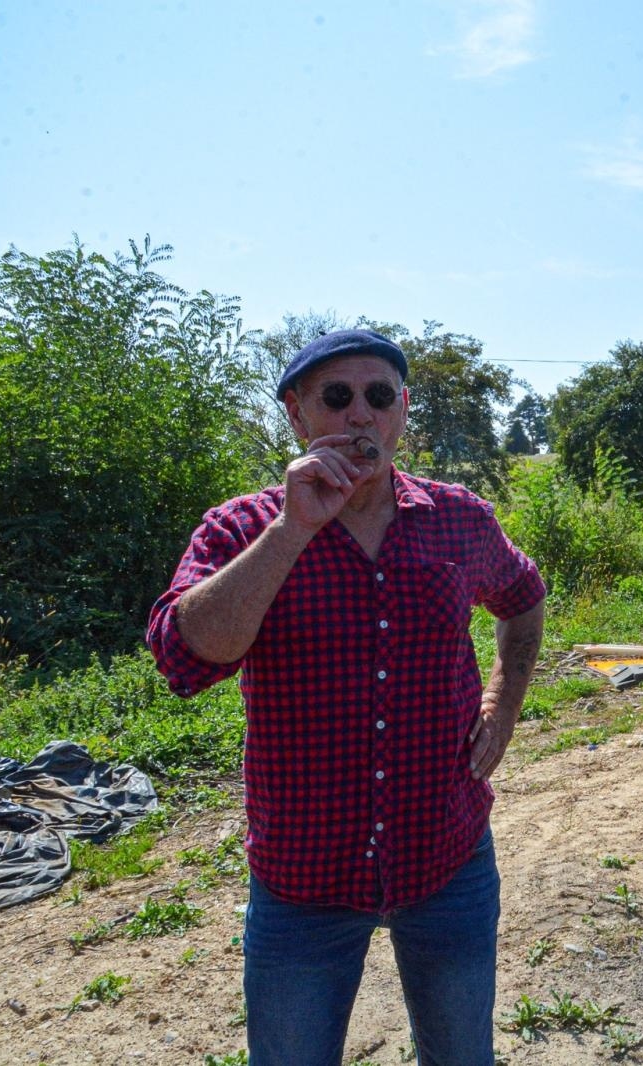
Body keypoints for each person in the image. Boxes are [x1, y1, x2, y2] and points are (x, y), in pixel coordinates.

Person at [146, 329, 545, 1066]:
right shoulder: (241, 527)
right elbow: (183, 659)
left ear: (402, 411)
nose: (360, 415)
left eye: (378, 396)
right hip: (304, 883)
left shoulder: (457, 518)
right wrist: (292, 530)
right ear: (298, 417)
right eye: (337, 397)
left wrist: (504, 703)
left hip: (445, 860)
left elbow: (524, 597)